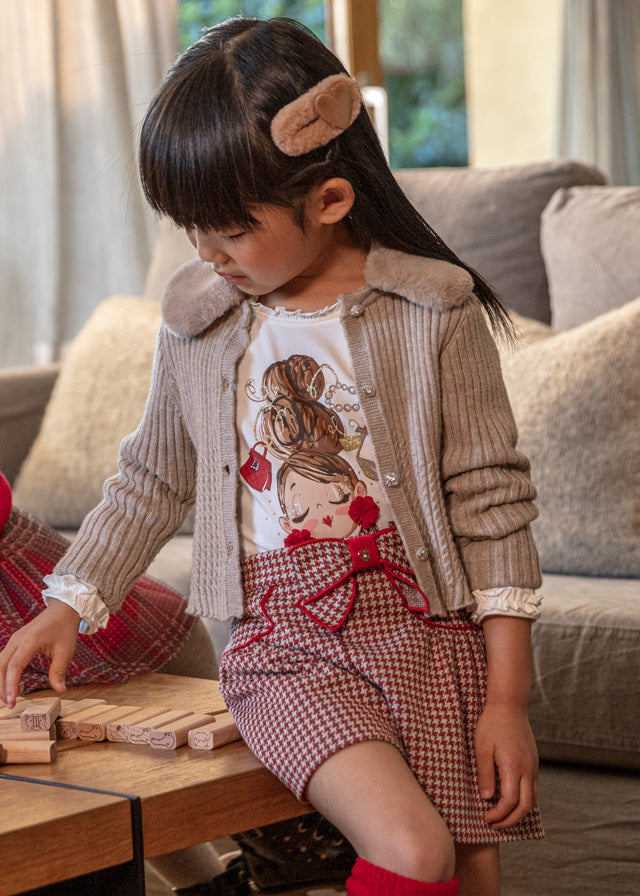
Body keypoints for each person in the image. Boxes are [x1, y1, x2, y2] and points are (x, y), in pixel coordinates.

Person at [0, 18, 545, 896]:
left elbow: (491, 506)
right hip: (282, 641)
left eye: (228, 231)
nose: (205, 254)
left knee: (469, 873)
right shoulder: (201, 321)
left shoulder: (433, 313)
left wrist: (508, 700)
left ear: (330, 201)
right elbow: (151, 477)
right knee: (414, 849)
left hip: (431, 637)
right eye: (187, 228)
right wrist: (70, 601)